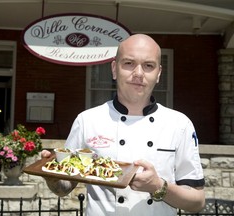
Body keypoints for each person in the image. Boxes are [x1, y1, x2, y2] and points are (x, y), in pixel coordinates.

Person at [41, 34, 205, 216]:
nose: (139, 73)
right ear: (114, 69)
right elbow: (64, 188)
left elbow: (197, 201)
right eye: (129, 63)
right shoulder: (87, 120)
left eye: (148, 66)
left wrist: (159, 186)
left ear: (158, 74)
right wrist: (51, 178)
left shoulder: (179, 124)